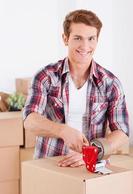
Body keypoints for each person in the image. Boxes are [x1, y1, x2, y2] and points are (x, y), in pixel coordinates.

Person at [23, 9, 129, 168]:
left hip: (92, 167)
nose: (85, 46)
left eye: (91, 38)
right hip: (51, 166)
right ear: (65, 39)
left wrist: (92, 152)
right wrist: (62, 131)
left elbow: (122, 132)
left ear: (97, 40)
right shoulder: (46, 76)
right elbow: (30, 120)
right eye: (78, 38)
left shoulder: (110, 83)